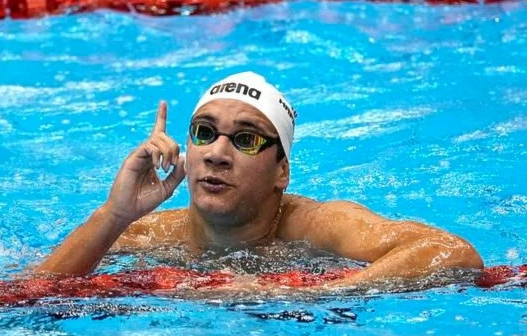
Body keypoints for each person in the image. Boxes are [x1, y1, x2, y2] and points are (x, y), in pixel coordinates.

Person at [35, 71, 483, 291]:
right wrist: (113, 216)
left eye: (245, 139)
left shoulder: (317, 225)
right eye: (204, 133)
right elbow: (21, 294)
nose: (216, 153)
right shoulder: (149, 234)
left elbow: (453, 254)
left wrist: (313, 294)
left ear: (281, 171)